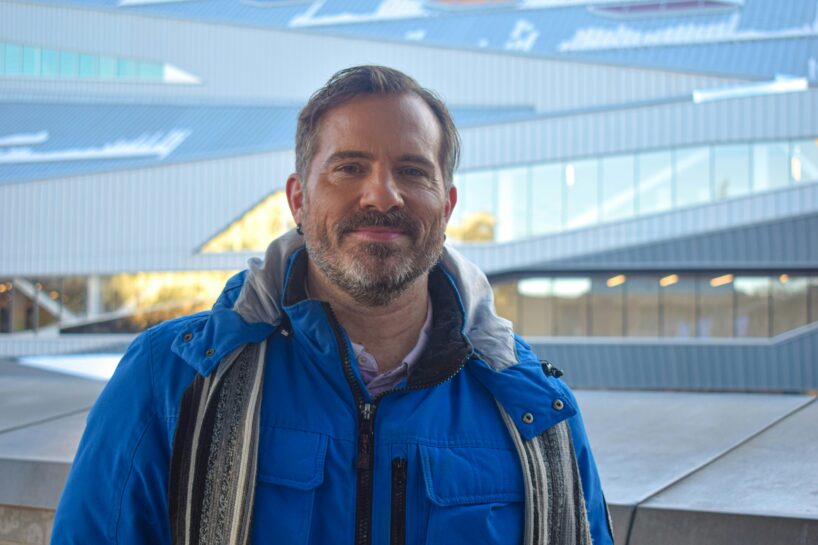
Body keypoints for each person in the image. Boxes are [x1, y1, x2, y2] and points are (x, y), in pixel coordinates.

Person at [52, 65, 613, 545]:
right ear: (298, 199)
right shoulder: (171, 379)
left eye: (412, 171)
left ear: (446, 207)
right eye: (350, 167)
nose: (382, 195)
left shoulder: (535, 411)